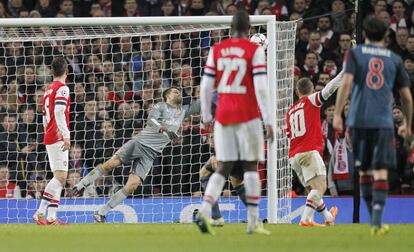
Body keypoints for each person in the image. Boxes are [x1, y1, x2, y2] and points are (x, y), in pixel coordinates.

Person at [69, 87, 200, 223]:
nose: (178, 92)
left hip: (150, 154)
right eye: (174, 91)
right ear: (167, 96)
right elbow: (151, 120)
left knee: (132, 185)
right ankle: (78, 187)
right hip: (139, 143)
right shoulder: (160, 106)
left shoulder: (183, 112)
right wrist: (164, 130)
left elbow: (201, 104)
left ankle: (101, 213)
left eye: (179, 91)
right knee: (110, 164)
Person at [333, 16, 413, 235]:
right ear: (386, 36)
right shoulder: (395, 59)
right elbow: (406, 97)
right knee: (379, 171)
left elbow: (346, 83)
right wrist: (407, 122)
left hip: (358, 120)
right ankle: (377, 220)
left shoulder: (356, 54)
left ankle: (373, 220)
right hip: (383, 122)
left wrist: (338, 114)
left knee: (364, 171)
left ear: (365, 34)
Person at [197, 10, 273, 235]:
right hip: (248, 116)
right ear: (249, 29)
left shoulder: (217, 50)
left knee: (223, 168)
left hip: (223, 116)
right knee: (250, 167)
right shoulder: (254, 50)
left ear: (230, 29)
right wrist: (268, 120)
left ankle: (204, 211)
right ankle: (253, 222)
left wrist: (206, 117)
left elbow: (205, 87)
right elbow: (261, 87)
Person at [287, 72, 343, 227]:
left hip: (294, 156)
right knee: (320, 187)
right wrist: (345, 71)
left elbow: (288, 134)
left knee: (314, 190)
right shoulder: (311, 100)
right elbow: (330, 88)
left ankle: (328, 218)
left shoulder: (290, 111)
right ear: (312, 90)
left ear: (296, 92)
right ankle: (305, 220)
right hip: (309, 151)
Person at [33, 57, 71, 225]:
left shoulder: (48, 90)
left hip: (50, 135)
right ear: (66, 71)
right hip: (57, 136)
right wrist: (66, 135)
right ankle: (40, 213)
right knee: (61, 176)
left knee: (59, 177)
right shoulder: (62, 88)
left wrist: (47, 132)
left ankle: (52, 216)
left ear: (51, 71)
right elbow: (59, 112)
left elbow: (43, 117)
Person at [199, 133, 248, 227]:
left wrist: (217, 155)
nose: (212, 139)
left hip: (233, 150)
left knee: (235, 182)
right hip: (240, 148)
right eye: (211, 137)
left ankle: (216, 217)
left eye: (213, 137)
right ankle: (216, 216)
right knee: (236, 182)